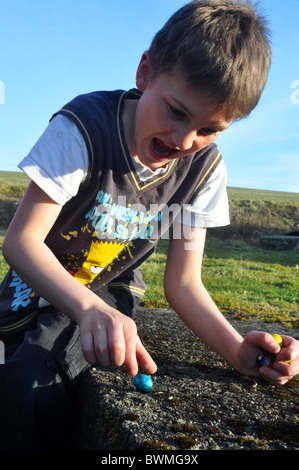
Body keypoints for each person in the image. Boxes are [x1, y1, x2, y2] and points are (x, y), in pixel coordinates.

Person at [0, 0, 298, 450]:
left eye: (210, 129)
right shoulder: (82, 128)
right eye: (176, 111)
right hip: (29, 288)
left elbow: (183, 283)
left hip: (109, 294)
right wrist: (86, 308)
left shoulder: (203, 170)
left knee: (33, 383)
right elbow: (22, 243)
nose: (184, 141)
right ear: (145, 72)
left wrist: (238, 350)